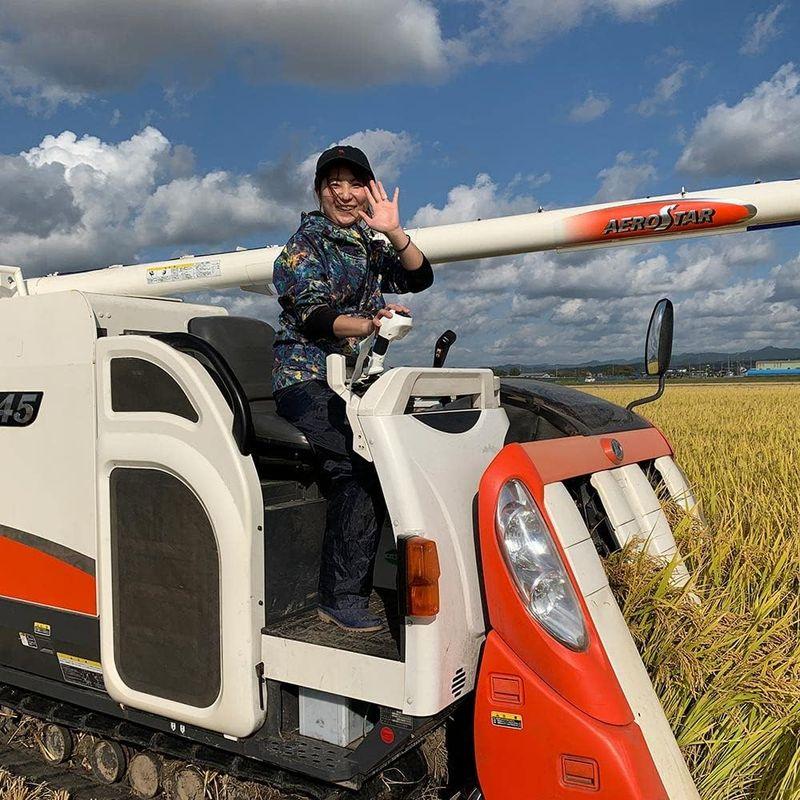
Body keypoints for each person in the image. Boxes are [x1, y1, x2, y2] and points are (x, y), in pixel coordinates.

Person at [272, 145, 434, 632]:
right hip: (305, 378)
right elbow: (314, 314)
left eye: (353, 184)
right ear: (319, 190)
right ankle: (339, 596)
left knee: (404, 447)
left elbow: (418, 277)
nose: (343, 194)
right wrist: (368, 324)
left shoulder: (368, 241)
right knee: (356, 461)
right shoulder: (304, 246)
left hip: (356, 381)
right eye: (332, 184)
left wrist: (394, 231)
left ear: (368, 190)